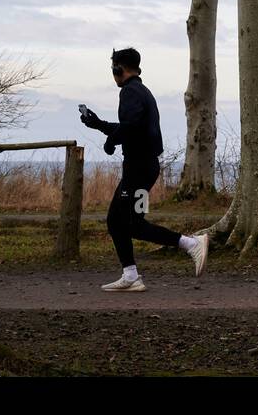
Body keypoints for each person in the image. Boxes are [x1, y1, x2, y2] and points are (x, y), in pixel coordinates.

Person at [80, 47, 208, 291]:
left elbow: (130, 127)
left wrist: (110, 140)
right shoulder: (142, 92)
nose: (112, 74)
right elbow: (131, 126)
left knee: (121, 221)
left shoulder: (129, 93)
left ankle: (191, 244)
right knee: (126, 222)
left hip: (138, 169)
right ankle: (131, 275)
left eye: (113, 69)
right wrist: (98, 125)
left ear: (119, 68)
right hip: (146, 168)